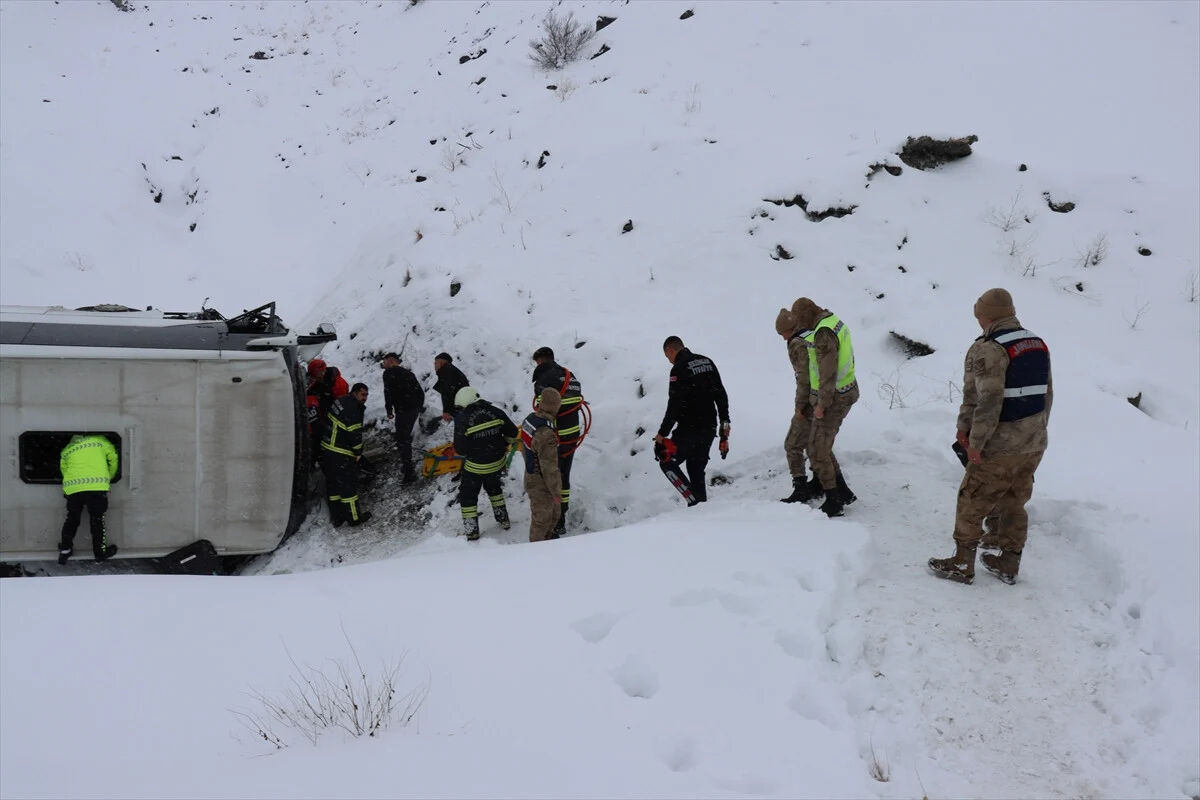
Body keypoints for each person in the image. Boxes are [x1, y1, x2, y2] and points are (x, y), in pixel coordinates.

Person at [929, 288, 1052, 585]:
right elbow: (1047, 393)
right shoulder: (1036, 342)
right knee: (1014, 499)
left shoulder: (987, 348)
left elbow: (987, 399)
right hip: (1033, 440)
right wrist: (1038, 430)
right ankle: (1009, 562)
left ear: (986, 316)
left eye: (979, 314)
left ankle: (962, 563)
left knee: (972, 498)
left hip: (1001, 444)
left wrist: (975, 441)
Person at [787, 297, 859, 517]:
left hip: (834, 397)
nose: (800, 325)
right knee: (820, 445)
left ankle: (834, 501)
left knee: (818, 449)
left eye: (800, 320)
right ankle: (842, 493)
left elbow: (828, 372)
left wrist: (822, 403)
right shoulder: (833, 322)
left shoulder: (823, 333)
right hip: (845, 390)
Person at [654, 336, 730, 505]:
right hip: (709, 427)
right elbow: (721, 396)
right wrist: (724, 429)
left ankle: (694, 501)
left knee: (666, 461)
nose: (669, 361)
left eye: (667, 357)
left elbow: (674, 406)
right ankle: (700, 510)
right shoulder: (707, 362)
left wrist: (661, 435)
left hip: (689, 429)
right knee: (695, 469)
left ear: (670, 351)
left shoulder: (678, 369)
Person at [531, 346, 584, 536]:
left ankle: (553, 521)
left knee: (551, 478)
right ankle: (562, 518)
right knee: (564, 475)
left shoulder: (545, 377)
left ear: (541, 360)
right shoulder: (569, 375)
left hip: (554, 437)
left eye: (536, 362)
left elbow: (543, 409)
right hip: (571, 436)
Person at [453, 386, 518, 540]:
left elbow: (460, 449)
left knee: (467, 495)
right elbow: (513, 433)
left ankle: (472, 530)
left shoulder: (462, 419)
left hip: (476, 466)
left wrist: (475, 448)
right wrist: (503, 445)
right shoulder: (495, 411)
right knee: (494, 488)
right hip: (497, 462)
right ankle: (503, 519)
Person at [57, 434, 119, 564]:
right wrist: (109, 476)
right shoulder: (100, 441)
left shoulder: (67, 449)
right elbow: (113, 457)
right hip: (96, 487)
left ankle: (65, 550)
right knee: (97, 520)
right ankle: (100, 553)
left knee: (72, 520)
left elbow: (64, 470)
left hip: (73, 490)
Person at [320, 382, 373, 527]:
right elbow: (354, 434)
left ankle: (337, 517)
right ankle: (354, 518)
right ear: (355, 393)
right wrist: (357, 453)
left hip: (327, 448)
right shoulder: (353, 409)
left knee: (334, 485)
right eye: (362, 394)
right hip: (340, 451)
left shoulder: (341, 400)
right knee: (348, 485)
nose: (365, 398)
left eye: (367, 395)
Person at [520, 387, 563, 542]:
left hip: (531, 474)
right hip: (541, 482)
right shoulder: (546, 433)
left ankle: (546, 544)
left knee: (552, 514)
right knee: (543, 520)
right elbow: (549, 467)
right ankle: (536, 553)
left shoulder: (530, 420)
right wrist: (556, 492)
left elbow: (524, 447)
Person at [381, 352, 425, 484]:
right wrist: (417, 407)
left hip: (403, 410)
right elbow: (420, 392)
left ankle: (409, 471)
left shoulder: (388, 374)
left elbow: (387, 392)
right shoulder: (408, 373)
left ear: (391, 360)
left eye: (385, 361)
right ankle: (407, 466)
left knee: (402, 439)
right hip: (412, 409)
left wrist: (389, 409)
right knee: (404, 437)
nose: (383, 364)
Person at [306, 358, 349, 465]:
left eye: (317, 373)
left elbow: (343, 405)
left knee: (342, 443)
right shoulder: (317, 384)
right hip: (326, 417)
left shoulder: (338, 384)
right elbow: (310, 392)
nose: (316, 376)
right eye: (314, 375)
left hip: (339, 417)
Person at [432, 353, 469, 423]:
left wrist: (446, 411)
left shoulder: (447, 371)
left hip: (460, 409)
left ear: (441, 362)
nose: (434, 365)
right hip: (462, 407)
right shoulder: (450, 370)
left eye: (435, 363)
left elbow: (447, 392)